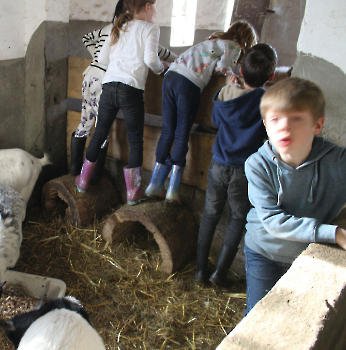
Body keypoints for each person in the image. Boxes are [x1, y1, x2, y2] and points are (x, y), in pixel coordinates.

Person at [244, 77, 346, 315]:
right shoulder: (257, 165)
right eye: (275, 119)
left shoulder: (338, 162)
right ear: (266, 125)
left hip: (307, 254)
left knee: (298, 316)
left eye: (296, 118)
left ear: (317, 125)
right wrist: (336, 233)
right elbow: (272, 222)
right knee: (258, 315)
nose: (284, 127)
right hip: (263, 251)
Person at [145, 21, 258, 204]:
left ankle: (155, 183)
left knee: (168, 130)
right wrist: (234, 79)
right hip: (188, 84)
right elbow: (223, 69)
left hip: (170, 76)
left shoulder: (214, 40)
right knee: (181, 134)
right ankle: (173, 190)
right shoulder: (233, 46)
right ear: (246, 41)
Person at [194, 43, 277, 287]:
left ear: (240, 70)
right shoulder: (266, 101)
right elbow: (267, 131)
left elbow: (215, 120)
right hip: (245, 169)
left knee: (210, 215)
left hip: (218, 163)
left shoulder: (225, 94)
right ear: (271, 77)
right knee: (238, 218)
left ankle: (199, 271)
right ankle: (219, 274)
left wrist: (230, 86)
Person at [70, 0, 176, 183]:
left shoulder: (118, 26)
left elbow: (102, 58)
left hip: (109, 86)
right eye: (155, 6)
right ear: (147, 6)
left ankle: (83, 181)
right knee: (135, 141)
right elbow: (152, 60)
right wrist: (163, 70)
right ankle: (133, 191)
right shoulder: (151, 28)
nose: (157, 12)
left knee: (99, 133)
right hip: (131, 90)